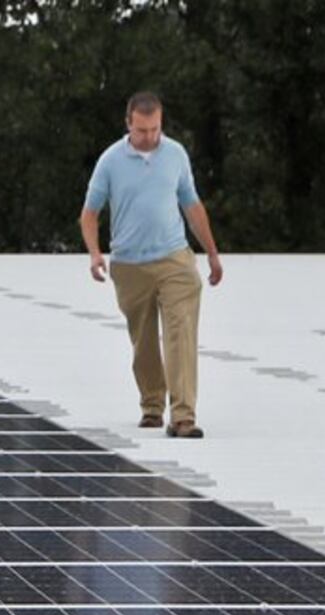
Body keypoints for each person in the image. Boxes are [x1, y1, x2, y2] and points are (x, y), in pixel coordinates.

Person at [81, 91, 223, 439]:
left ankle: (183, 416)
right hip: (130, 264)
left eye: (155, 129)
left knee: (180, 332)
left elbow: (191, 205)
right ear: (128, 124)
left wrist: (213, 253)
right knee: (143, 341)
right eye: (142, 130)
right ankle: (152, 404)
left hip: (175, 257)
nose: (150, 137)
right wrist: (95, 253)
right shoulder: (110, 161)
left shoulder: (175, 154)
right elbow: (90, 213)